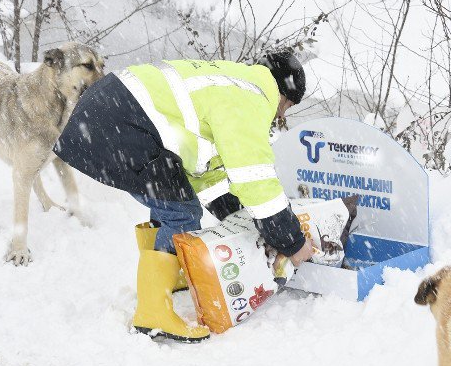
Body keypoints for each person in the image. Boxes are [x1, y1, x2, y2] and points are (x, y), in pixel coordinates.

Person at [53, 52, 314, 343]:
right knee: (180, 211)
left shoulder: (232, 83)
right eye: (287, 105)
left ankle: (170, 276)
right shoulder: (251, 97)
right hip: (117, 122)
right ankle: (153, 312)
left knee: (169, 193)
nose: (282, 115)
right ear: (282, 93)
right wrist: (292, 241)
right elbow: (254, 177)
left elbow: (209, 174)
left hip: (106, 113)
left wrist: (239, 217)